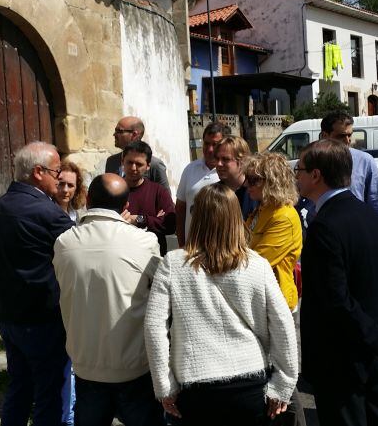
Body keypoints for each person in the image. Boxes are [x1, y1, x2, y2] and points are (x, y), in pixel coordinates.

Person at [144, 183, 299, 426]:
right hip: (250, 382)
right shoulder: (257, 265)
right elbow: (282, 325)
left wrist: (165, 386)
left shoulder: (173, 264)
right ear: (236, 218)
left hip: (195, 386)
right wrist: (283, 384)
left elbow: (155, 328)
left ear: (196, 217)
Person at [296, 139, 378, 426]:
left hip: (341, 361)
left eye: (299, 169)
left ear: (316, 175)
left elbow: (335, 300)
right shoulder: (369, 215)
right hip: (371, 356)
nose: (295, 175)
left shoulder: (324, 226)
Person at [53, 173, 164, 426]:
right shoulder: (145, 242)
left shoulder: (64, 243)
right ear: (126, 207)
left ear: (88, 200)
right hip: (133, 365)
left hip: (86, 364)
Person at [0, 141, 75, 426]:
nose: (59, 177)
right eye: (56, 170)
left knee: (19, 387)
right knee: (48, 394)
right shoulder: (47, 214)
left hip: (8, 315)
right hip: (42, 318)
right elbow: (79, 250)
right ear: (38, 172)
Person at [243, 153, 304, 426]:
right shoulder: (262, 209)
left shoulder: (284, 216)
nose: (247, 185)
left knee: (283, 372)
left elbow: (256, 259)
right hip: (260, 300)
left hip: (278, 301)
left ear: (272, 181)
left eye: (253, 180)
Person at [320, 111, 378, 225]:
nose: (347, 140)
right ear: (324, 135)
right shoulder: (310, 161)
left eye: (349, 135)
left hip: (356, 234)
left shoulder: (365, 161)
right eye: (341, 136)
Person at [121, 141, 176, 255]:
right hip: (121, 254)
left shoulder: (158, 192)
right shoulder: (113, 190)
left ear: (148, 166)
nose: (133, 168)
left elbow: (170, 224)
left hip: (152, 258)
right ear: (122, 162)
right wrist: (154, 220)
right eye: (129, 162)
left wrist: (139, 219)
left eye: (139, 164)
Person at [176, 121, 225, 247]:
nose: (209, 149)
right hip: (191, 248)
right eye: (207, 143)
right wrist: (182, 244)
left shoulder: (228, 171)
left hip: (220, 249)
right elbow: (180, 208)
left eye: (215, 144)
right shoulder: (190, 169)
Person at [105, 116, 169, 191]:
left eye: (119, 131)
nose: (114, 134)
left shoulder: (155, 164)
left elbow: (164, 197)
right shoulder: (111, 161)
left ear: (134, 134)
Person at [214, 135, 257, 219]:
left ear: (243, 161)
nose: (219, 164)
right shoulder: (213, 194)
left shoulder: (257, 193)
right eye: (217, 159)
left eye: (225, 159)